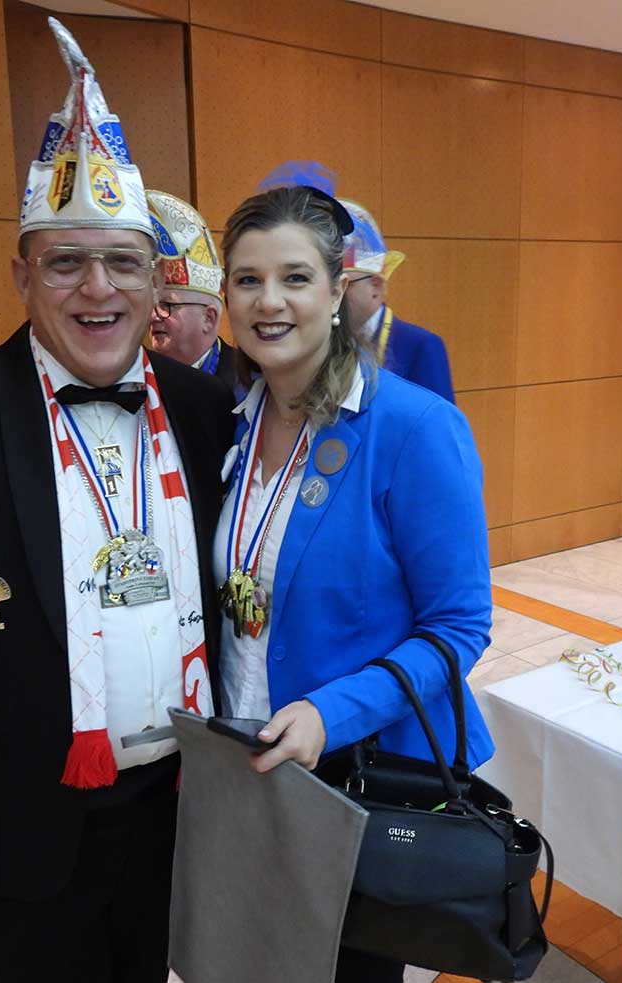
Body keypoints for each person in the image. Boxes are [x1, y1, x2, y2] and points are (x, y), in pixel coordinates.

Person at [0, 20, 233, 983]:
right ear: (22, 276)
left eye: (123, 261)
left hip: (182, 810)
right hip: (22, 832)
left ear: (156, 283)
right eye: (66, 261)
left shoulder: (206, 410)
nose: (96, 288)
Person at [214, 184, 493, 983]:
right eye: (248, 279)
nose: (269, 301)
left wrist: (327, 713)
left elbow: (460, 626)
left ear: (339, 290)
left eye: (295, 277)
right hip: (249, 756)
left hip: (358, 771)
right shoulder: (232, 426)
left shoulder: (413, 428)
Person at [340, 197, 455, 402]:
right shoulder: (324, 341)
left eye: (345, 285)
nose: (334, 295)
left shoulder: (421, 345)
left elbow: (440, 420)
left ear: (376, 286)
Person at [146, 189, 239, 394]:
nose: (153, 316)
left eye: (167, 305)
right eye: (152, 304)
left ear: (209, 318)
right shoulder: (137, 381)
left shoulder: (249, 384)